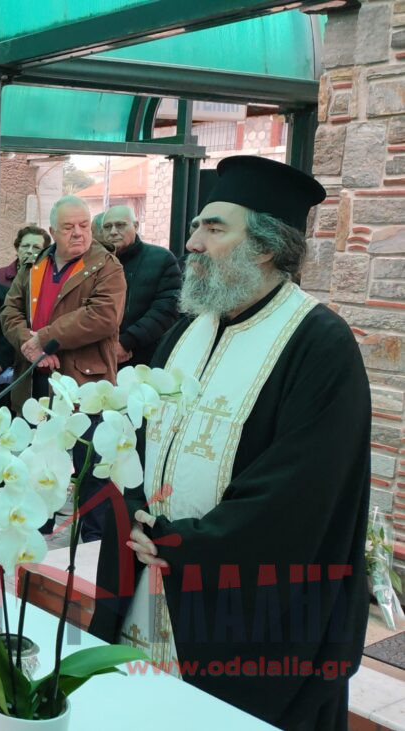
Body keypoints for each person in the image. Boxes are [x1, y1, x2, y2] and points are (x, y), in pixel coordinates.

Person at [92, 156, 370, 731]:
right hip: (150, 578)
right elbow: (140, 438)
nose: (191, 242)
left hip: (243, 610)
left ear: (264, 247)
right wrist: (129, 508)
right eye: (196, 226)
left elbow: (301, 492)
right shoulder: (188, 330)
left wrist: (186, 544)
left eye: (213, 228)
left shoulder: (319, 343)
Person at [0, 196, 125, 541]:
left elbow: (103, 316)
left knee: (92, 464)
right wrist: (31, 346)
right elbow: (9, 311)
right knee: (39, 460)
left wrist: (46, 339)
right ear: (53, 231)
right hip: (37, 381)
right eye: (69, 227)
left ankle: (94, 542)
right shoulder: (35, 265)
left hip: (86, 384)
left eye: (84, 225)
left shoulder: (106, 266)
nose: (78, 233)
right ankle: (35, 533)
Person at [100, 205, 182, 367]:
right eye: (107, 227)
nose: (113, 231)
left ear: (136, 226)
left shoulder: (161, 258)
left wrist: (126, 342)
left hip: (144, 359)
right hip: (98, 357)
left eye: (120, 225)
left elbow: (166, 309)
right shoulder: (95, 262)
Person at [0, 226, 50, 384]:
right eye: (25, 246)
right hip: (0, 361)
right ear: (17, 248)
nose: (30, 251)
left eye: (36, 247)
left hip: (33, 357)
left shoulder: (48, 281)